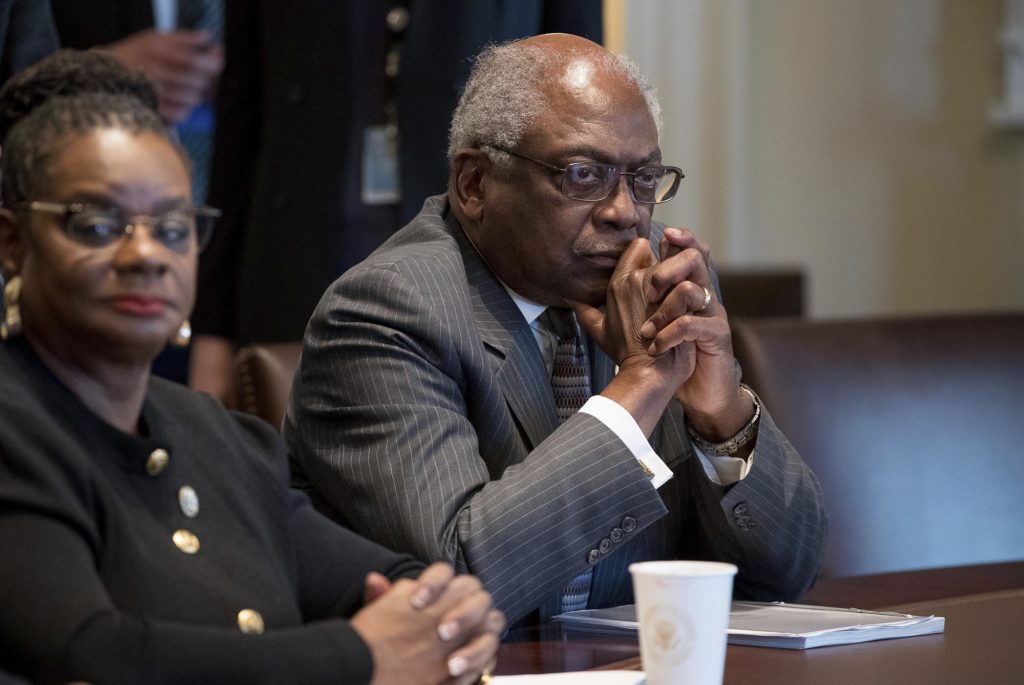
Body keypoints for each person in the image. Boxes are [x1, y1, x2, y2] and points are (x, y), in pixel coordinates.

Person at [284, 34, 828, 625]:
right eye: (582, 174)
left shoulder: (663, 288)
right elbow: (455, 587)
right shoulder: (384, 312)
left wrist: (720, 415)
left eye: (643, 178)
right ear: (474, 184)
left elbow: (787, 576)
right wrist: (639, 388)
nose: (625, 211)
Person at [0, 57, 502, 683]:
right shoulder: (16, 429)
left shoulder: (216, 436)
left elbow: (400, 581)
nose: (145, 255)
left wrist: (451, 613)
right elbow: (89, 655)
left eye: (173, 227)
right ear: (12, 242)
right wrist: (361, 657)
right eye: (98, 225)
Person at [189, 0, 604, 406]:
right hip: (299, 256)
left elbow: (582, 109)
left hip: (482, 255)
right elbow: (240, 122)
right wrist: (213, 331)